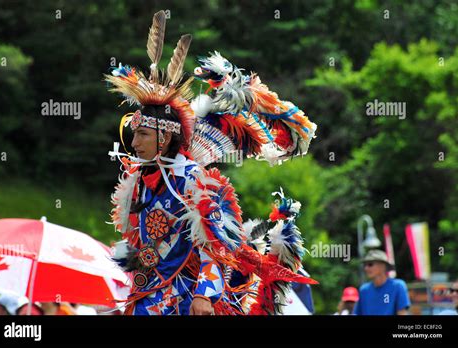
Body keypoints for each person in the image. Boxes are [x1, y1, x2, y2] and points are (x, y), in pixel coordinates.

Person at [106, 11, 317, 316]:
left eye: (142, 134)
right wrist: (135, 271)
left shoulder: (194, 180)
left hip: (187, 296)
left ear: (164, 138)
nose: (134, 143)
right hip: (149, 294)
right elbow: (142, 245)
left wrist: (204, 295)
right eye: (134, 134)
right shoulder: (137, 182)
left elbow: (216, 246)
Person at [354, 250, 410, 315]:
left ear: (383, 266)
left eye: (370, 264)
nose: (366, 268)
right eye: (365, 265)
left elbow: (402, 313)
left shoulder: (398, 286)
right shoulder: (364, 290)